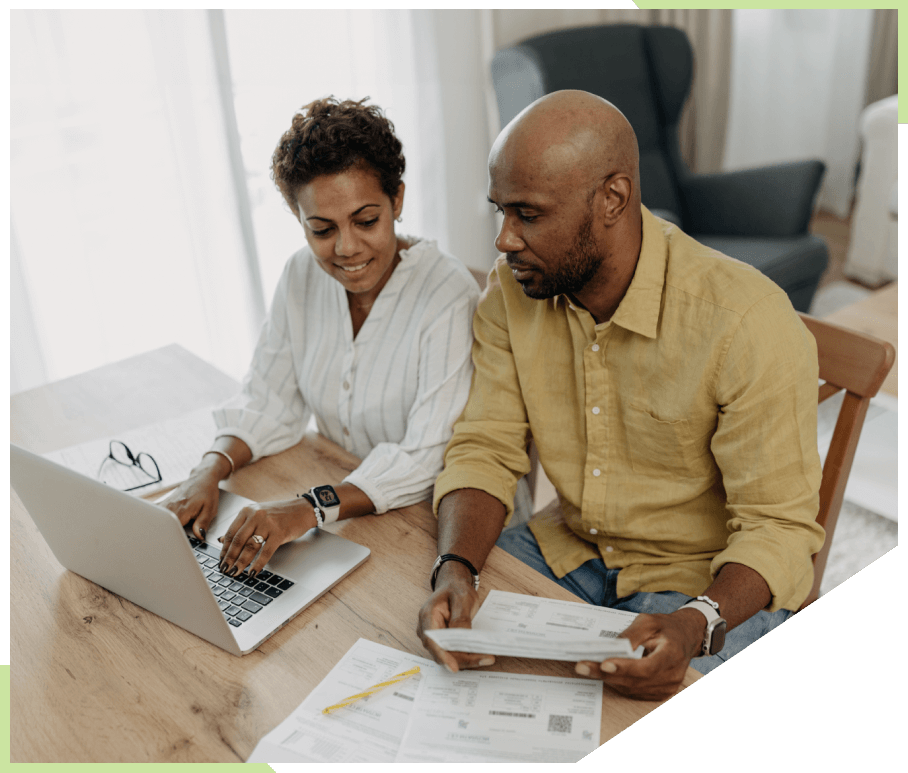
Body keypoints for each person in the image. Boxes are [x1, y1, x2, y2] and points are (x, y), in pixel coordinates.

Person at [417, 90, 825, 701]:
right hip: (568, 546)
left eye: (527, 215)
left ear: (612, 199)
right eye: (499, 211)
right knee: (431, 653)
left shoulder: (746, 322)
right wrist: (455, 569)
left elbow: (779, 529)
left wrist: (696, 625)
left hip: (700, 586)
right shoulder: (511, 293)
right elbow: (486, 448)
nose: (503, 240)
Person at [164, 97, 479, 579]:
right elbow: (269, 398)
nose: (347, 248)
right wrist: (206, 471)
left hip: (439, 531)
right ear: (299, 220)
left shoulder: (447, 293)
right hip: (347, 514)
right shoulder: (300, 276)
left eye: (366, 220)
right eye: (322, 229)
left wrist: (306, 507)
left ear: (397, 199)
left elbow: (426, 456)